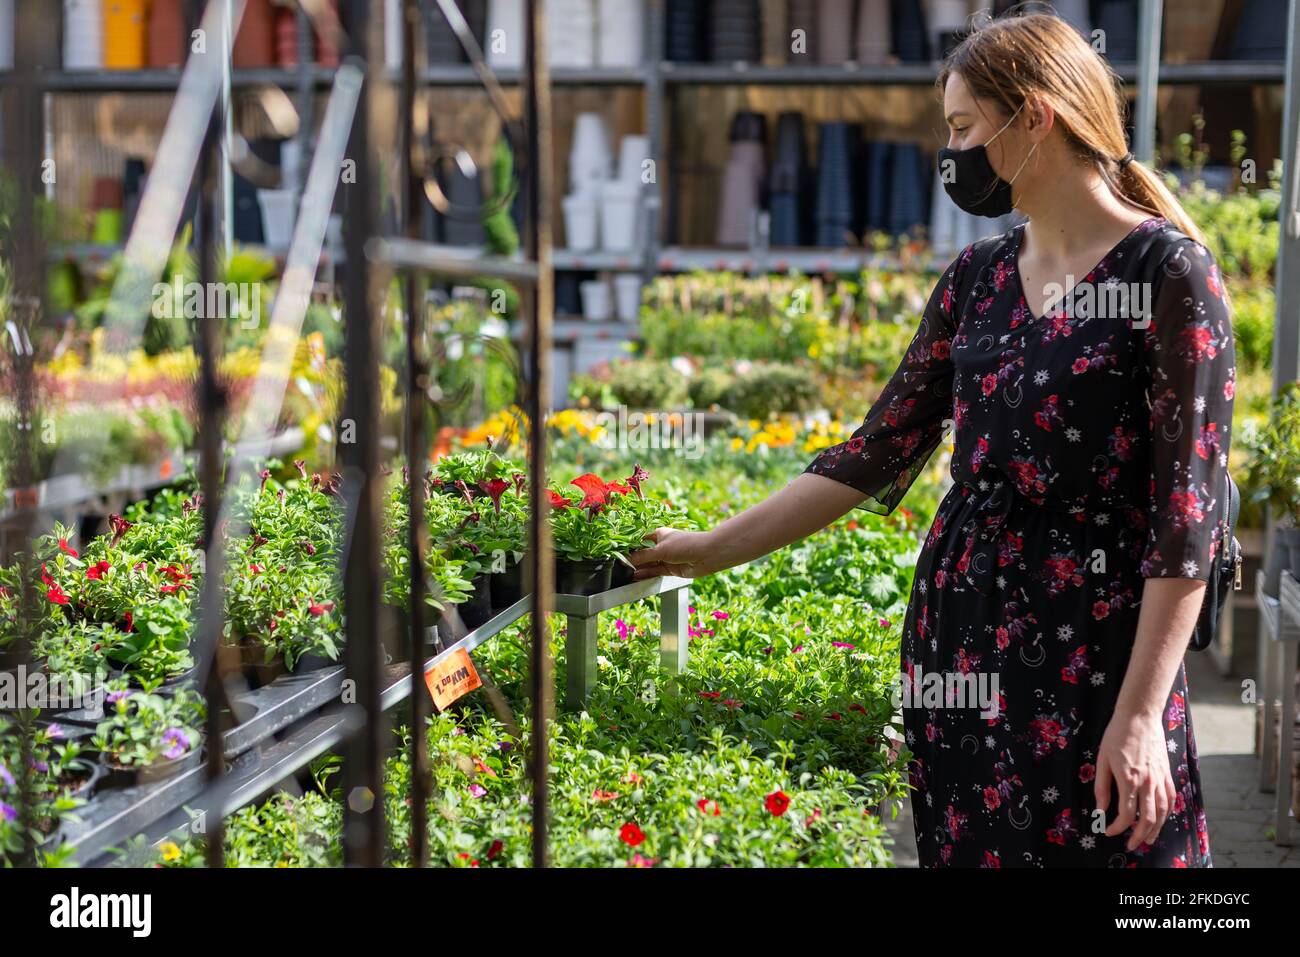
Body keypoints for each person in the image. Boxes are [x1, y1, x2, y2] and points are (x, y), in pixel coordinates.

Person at [627, 11, 1233, 867]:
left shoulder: (1169, 275)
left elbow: (1187, 517)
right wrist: (708, 550)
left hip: (1101, 649)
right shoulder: (977, 279)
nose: (948, 151)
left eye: (961, 126)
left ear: (1035, 118)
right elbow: (873, 451)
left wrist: (1140, 714)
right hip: (963, 640)